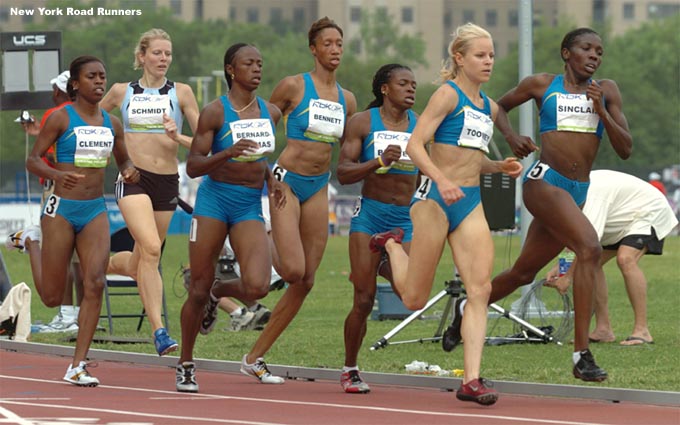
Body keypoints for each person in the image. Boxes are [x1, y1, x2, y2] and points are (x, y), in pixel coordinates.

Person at [446, 28, 633, 383]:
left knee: (522, 274)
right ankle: (581, 354)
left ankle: (466, 308)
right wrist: (512, 137)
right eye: (586, 49)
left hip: (577, 190)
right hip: (544, 182)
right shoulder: (541, 84)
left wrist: (602, 112)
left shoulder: (606, 91)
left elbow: (626, 148)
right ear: (567, 53)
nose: (594, 56)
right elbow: (494, 107)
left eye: (599, 52)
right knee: (589, 248)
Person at [370, 24, 522, 405]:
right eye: (480, 55)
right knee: (414, 300)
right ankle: (391, 247)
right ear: (459, 57)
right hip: (435, 199)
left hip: (469, 201)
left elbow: (472, 158)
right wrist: (441, 178)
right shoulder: (446, 95)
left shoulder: (488, 106)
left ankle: (471, 381)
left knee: (480, 289)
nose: (488, 61)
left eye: (490, 55)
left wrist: (499, 167)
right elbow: (415, 145)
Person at [7, 55, 139, 386]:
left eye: (102, 76)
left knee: (94, 283)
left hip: (94, 209)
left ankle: (77, 365)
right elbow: (32, 160)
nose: (99, 81)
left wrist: (129, 170)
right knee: (52, 296)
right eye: (92, 76)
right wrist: (56, 174)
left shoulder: (112, 123)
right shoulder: (61, 119)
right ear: (76, 84)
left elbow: (124, 161)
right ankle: (31, 240)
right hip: (60, 208)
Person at [239, 16, 357, 384]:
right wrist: (262, 172)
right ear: (313, 48)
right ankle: (260, 236)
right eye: (328, 43)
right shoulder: (293, 86)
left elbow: (350, 151)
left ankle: (254, 357)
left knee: (305, 281)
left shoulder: (347, 100)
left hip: (319, 187)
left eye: (339, 43)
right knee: (291, 270)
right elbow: (260, 130)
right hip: (286, 183)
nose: (335, 49)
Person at [175, 43, 284, 393]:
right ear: (230, 70)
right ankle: (186, 363)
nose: (256, 68)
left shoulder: (270, 111)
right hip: (214, 201)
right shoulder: (214, 112)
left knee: (258, 285)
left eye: (260, 63)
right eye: (248, 63)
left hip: (249, 204)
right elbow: (193, 166)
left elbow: (260, 156)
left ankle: (217, 293)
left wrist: (270, 179)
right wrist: (227, 152)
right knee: (196, 288)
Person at [100, 28, 199, 356]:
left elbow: (203, 144)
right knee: (153, 250)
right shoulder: (120, 91)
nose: (163, 59)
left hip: (168, 181)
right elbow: (88, 120)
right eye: (157, 53)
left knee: (139, 261)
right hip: (133, 178)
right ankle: (159, 331)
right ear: (142, 56)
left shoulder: (182, 93)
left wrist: (177, 137)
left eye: (167, 54)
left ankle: (99, 264)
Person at [336, 63, 419, 394]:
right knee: (364, 298)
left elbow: (428, 172)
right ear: (385, 89)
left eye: (414, 84)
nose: (412, 89)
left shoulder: (421, 125)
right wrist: (378, 162)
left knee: (410, 294)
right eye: (404, 83)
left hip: (404, 218)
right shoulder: (362, 123)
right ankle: (350, 368)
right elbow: (343, 172)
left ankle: (388, 256)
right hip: (369, 215)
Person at [544, 170, 678, 345]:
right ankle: (603, 329)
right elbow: (576, 240)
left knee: (625, 259)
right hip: (621, 216)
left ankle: (642, 331)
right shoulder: (572, 196)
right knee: (594, 263)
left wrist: (567, 277)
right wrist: (561, 268)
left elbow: (588, 242)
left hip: (649, 210)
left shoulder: (592, 195)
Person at [15, 70, 84, 333]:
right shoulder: (87, 114)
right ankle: (78, 314)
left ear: (60, 91)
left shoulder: (56, 113)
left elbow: (51, 157)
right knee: (79, 258)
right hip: (85, 189)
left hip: (58, 187)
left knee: (59, 253)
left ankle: (66, 315)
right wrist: (39, 132)